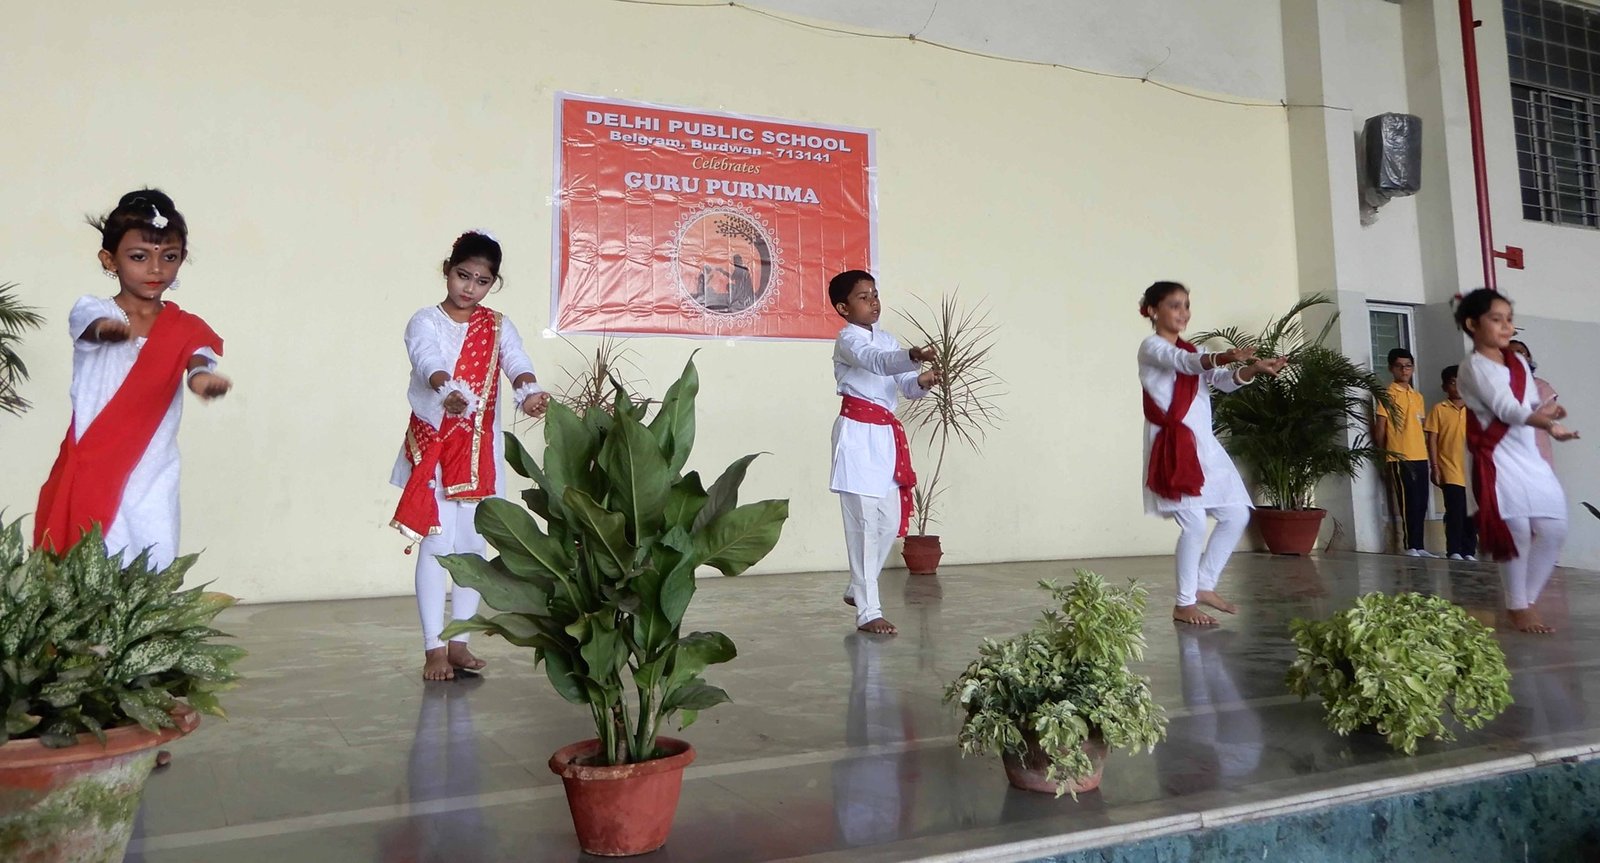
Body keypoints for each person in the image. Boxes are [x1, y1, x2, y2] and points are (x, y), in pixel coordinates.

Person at [34, 189, 229, 569]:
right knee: (93, 551)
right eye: (139, 257)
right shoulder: (94, 310)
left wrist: (202, 380)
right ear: (110, 260)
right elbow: (89, 327)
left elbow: (197, 363)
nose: (156, 269)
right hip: (94, 460)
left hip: (152, 465)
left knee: (151, 544)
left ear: (182, 259)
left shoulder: (186, 327)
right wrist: (105, 330)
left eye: (169, 257)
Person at [392, 230, 550, 679]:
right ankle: (433, 648)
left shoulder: (497, 325)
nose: (470, 288)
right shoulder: (425, 321)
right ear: (448, 270)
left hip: (479, 451)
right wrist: (448, 391)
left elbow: (516, 361)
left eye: (482, 281)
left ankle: (459, 641)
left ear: (492, 284)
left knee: (472, 546)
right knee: (437, 543)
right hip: (436, 448)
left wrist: (529, 392)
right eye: (463, 275)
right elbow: (427, 361)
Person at [1137, 281, 1285, 626]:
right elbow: (1184, 363)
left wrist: (1252, 369)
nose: (1183, 312)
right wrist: (1222, 356)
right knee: (1192, 524)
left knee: (1236, 514)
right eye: (1175, 305)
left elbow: (1222, 380)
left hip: (1204, 446)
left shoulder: (1195, 350)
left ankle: (1204, 585)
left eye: (1187, 305)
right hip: (1173, 445)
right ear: (1152, 310)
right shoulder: (1152, 348)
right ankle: (1184, 603)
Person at [1454, 289, 1579, 633]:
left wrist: (1547, 413)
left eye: (1509, 319)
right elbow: (1507, 409)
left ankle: (1527, 599)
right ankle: (1518, 605)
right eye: (1497, 319)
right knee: (1517, 530)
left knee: (1554, 529)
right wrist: (1547, 424)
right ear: (1472, 325)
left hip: (1529, 455)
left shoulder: (1518, 362)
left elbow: (1527, 405)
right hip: (1497, 456)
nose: (1506, 326)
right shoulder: (1474, 367)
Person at [828, 269, 939, 636]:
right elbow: (877, 362)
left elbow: (904, 386)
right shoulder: (848, 340)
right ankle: (868, 611)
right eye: (863, 297)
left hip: (885, 437)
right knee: (862, 526)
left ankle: (856, 588)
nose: (873, 302)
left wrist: (922, 380)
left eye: (875, 294)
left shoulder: (887, 338)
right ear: (843, 308)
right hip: (857, 436)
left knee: (889, 522)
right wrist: (912, 355)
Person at [1374, 347, 1433, 557]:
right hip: (1399, 456)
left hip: (1420, 455)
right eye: (1399, 366)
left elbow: (1421, 425)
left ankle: (1419, 545)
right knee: (1408, 502)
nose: (1404, 370)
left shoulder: (1417, 396)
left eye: (1408, 366)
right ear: (1391, 369)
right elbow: (1380, 427)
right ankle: (1410, 546)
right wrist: (1382, 454)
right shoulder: (1387, 395)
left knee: (1421, 502)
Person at [1425, 365, 1477, 561]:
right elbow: (1432, 439)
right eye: (1453, 383)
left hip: (1471, 471)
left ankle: (1469, 551)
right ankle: (1454, 549)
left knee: (1471, 513)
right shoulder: (1439, 409)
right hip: (1449, 469)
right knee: (1455, 511)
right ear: (1445, 387)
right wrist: (1434, 467)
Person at [1509, 339, 1559, 468]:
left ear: (1529, 358)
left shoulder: (1542, 387)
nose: (1516, 356)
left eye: (1520, 352)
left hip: (1537, 449)